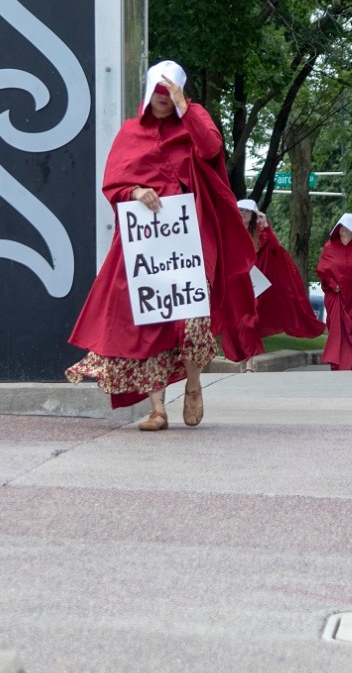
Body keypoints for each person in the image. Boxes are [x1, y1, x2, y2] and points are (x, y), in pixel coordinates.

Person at [66, 60, 259, 430]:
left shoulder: (194, 121)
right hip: (144, 242)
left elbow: (211, 148)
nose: (163, 100)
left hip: (190, 236)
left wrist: (186, 107)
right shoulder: (129, 132)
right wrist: (136, 190)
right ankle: (158, 409)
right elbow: (114, 184)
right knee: (151, 320)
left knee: (191, 320)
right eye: (157, 92)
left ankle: (193, 385)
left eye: (168, 94)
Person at [237, 199, 326, 372]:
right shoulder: (232, 231)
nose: (243, 213)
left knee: (250, 321)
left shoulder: (261, 233)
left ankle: (248, 363)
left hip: (256, 285)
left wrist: (266, 223)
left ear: (253, 215)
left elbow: (275, 248)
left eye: (246, 211)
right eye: (240, 210)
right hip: (238, 284)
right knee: (239, 323)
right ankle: (243, 359)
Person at [316, 213, 352, 371]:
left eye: (347, 227)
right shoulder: (330, 246)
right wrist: (332, 283)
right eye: (341, 227)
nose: (343, 230)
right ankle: (337, 363)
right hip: (336, 296)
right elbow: (322, 270)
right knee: (337, 330)